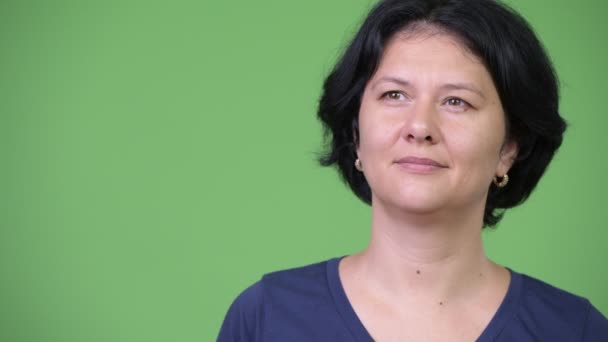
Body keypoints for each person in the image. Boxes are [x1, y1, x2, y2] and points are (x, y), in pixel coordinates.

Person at [217, 0, 608, 340]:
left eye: (457, 101)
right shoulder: (266, 317)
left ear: (509, 148)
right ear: (356, 134)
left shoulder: (577, 330)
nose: (419, 126)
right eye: (394, 95)